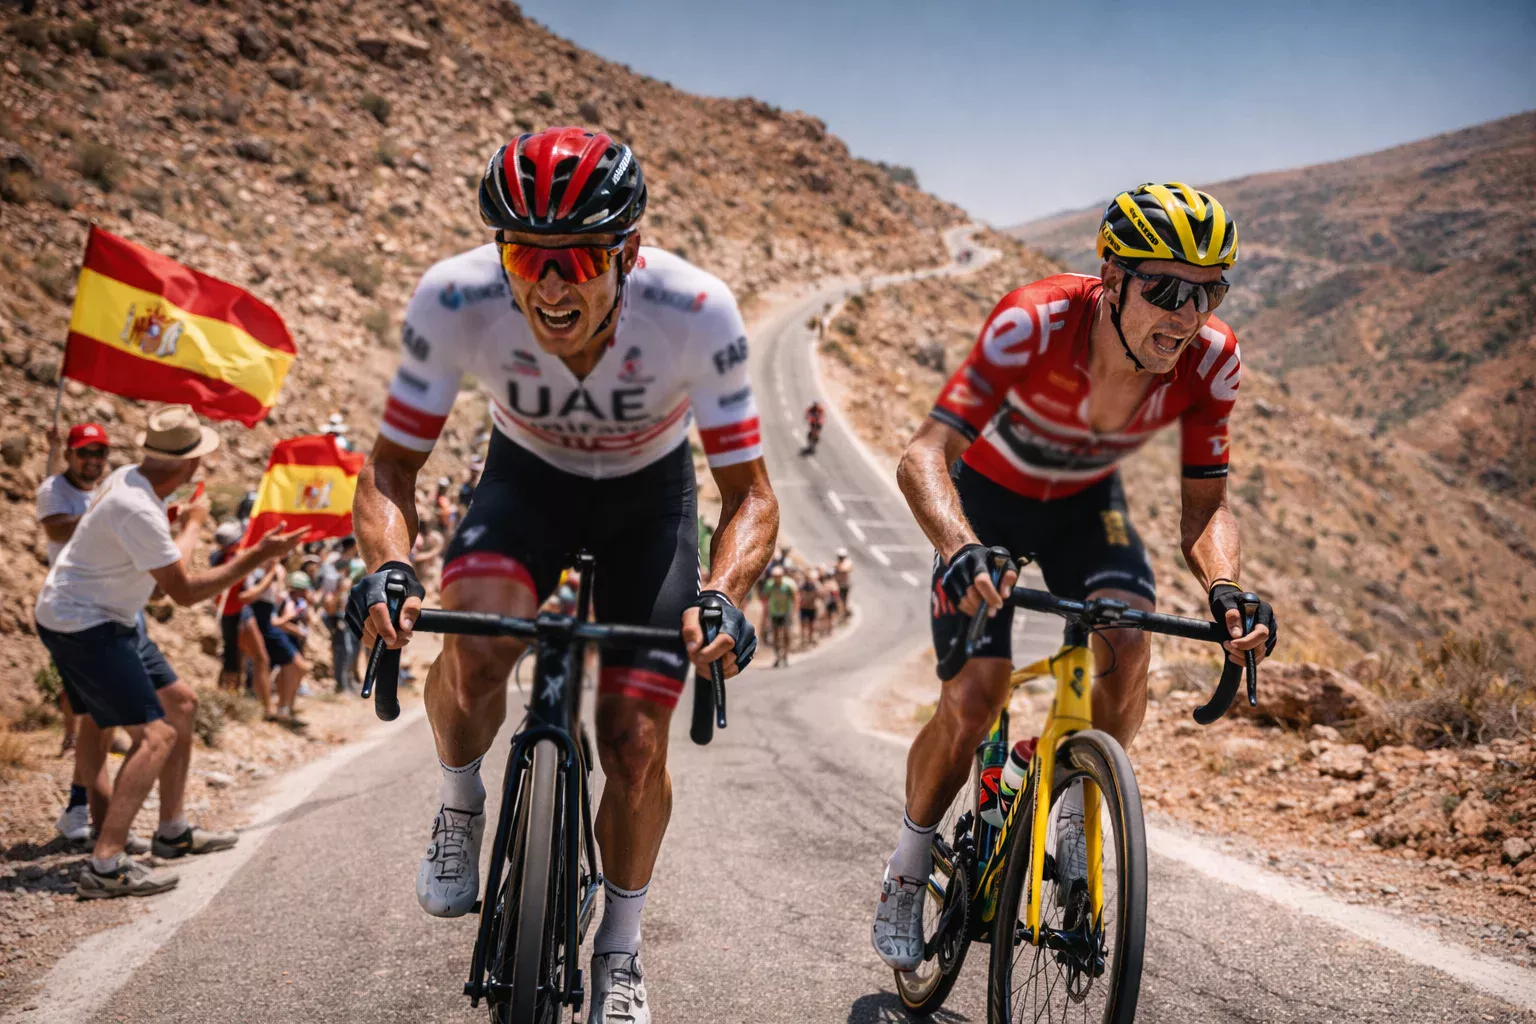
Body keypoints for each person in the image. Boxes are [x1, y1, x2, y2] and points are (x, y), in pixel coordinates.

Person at [348, 128, 778, 1023]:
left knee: (634, 741)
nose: (548, 285)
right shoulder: (455, 296)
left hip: (648, 502)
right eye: (524, 255)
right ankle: (462, 801)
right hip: (527, 483)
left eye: (577, 257)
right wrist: (390, 567)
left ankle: (618, 950)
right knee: (473, 650)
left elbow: (751, 495)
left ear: (627, 251)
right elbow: (390, 470)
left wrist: (724, 596)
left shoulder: (698, 308)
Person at [871, 183, 1279, 969]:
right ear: (1111, 276)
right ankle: (907, 865)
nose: (1187, 314)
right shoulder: (1033, 320)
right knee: (974, 696)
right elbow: (923, 457)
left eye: (1210, 291)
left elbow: (1207, 513)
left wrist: (1226, 586)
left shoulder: (1214, 361)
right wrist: (960, 546)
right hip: (985, 502)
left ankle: (1077, 789)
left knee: (1130, 641)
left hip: (1087, 503)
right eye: (1165, 288)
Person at [34, 405, 304, 898]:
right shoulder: (137, 506)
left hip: (108, 617)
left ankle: (171, 832)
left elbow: (158, 587)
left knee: (181, 705)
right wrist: (257, 555)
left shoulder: (132, 481)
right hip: (84, 624)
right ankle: (106, 864)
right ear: (189, 466)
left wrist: (181, 527)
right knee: (154, 736)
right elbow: (181, 593)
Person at [36, 422, 111, 760]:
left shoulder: (104, 491)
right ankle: (71, 737)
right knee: (73, 674)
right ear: (69, 454)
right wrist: (104, 517)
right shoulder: (55, 490)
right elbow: (55, 530)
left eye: (100, 452)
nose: (93, 459)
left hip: (109, 594)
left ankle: (100, 737)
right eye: (85, 452)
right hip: (72, 599)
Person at [762, 565, 797, 667]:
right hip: (774, 612)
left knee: (786, 635)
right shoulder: (769, 584)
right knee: (776, 635)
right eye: (775, 576)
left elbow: (795, 597)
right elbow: (765, 597)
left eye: (778, 576)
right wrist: (766, 613)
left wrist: (794, 612)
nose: (776, 578)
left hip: (785, 612)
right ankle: (777, 656)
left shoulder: (789, 584)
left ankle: (785, 656)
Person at [797, 567, 821, 649]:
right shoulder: (802, 585)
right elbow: (798, 594)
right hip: (803, 608)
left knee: (811, 625)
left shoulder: (814, 585)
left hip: (811, 608)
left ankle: (810, 639)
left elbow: (819, 594)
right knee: (803, 624)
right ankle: (803, 640)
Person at [833, 547, 854, 620]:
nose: (840, 558)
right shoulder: (837, 563)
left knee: (843, 600)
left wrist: (838, 567)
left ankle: (845, 613)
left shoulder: (847, 562)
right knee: (837, 599)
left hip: (844, 585)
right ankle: (842, 613)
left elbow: (846, 569)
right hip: (837, 585)